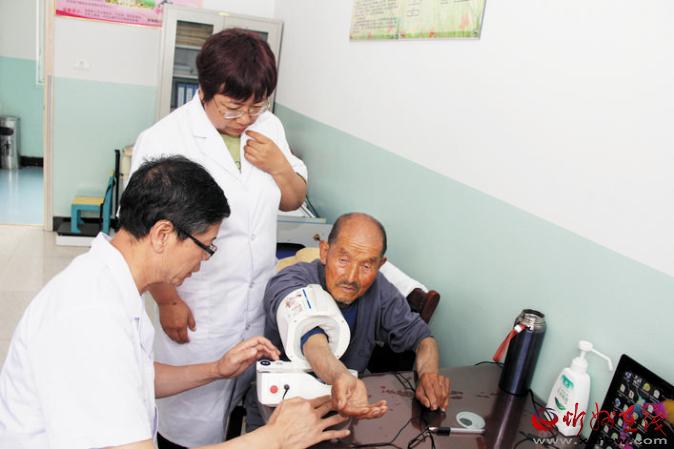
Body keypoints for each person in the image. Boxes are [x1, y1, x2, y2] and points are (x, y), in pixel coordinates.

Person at [0, 157, 348, 449]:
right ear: (162, 234)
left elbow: (134, 377)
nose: (205, 260)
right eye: (206, 245)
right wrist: (274, 438)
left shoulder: (111, 282)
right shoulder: (91, 314)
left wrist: (216, 369)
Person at [129, 29, 307, 447]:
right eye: (232, 107)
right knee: (189, 424)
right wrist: (168, 301)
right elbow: (143, 235)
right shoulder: (164, 140)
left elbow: (293, 198)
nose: (244, 118)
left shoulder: (270, 127)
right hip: (198, 308)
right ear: (204, 90)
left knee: (246, 416)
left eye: (256, 106)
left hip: (255, 305)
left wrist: (280, 165)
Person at [263, 213, 450, 419]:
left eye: (366, 266)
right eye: (343, 260)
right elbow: (312, 339)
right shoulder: (290, 280)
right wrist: (340, 376)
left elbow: (423, 338)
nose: (351, 278)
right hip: (280, 410)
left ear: (379, 266)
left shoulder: (379, 291)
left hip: (345, 410)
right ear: (324, 252)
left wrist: (429, 375)